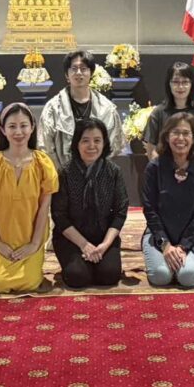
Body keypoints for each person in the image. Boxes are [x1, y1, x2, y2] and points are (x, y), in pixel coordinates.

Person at [0, 103, 58, 293]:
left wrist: (34, 244)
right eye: (12, 126)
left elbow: (44, 208)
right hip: (0, 237)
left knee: (29, 283)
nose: (18, 132)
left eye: (23, 125)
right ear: (3, 130)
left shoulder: (43, 163)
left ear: (32, 127)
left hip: (30, 236)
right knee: (0, 284)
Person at [51, 119, 128, 288]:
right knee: (77, 277)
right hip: (72, 238)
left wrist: (105, 245)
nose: (92, 146)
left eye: (97, 140)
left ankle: (96, 260)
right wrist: (84, 245)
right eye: (85, 140)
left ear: (104, 143)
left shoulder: (113, 171)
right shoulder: (65, 172)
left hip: (103, 236)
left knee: (109, 275)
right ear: (77, 143)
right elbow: (59, 215)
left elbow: (120, 212)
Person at [141, 112, 194, 288]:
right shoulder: (154, 167)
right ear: (167, 137)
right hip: (160, 235)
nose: (180, 138)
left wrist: (183, 246)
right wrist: (166, 245)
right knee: (160, 277)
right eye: (175, 133)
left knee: (188, 277)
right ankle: (168, 261)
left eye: (186, 133)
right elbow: (150, 210)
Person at [39, 49, 125, 169]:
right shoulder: (53, 108)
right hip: (62, 174)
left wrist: (97, 169)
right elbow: (45, 147)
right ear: (67, 75)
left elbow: (115, 145)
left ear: (91, 73)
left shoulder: (106, 108)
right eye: (74, 68)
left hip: (98, 175)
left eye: (83, 68)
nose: (78, 73)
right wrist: (61, 173)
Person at [143, 62, 194, 161]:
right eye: (176, 82)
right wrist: (162, 168)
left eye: (185, 82)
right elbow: (151, 147)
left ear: (191, 84)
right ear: (169, 84)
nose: (180, 87)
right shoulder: (158, 113)